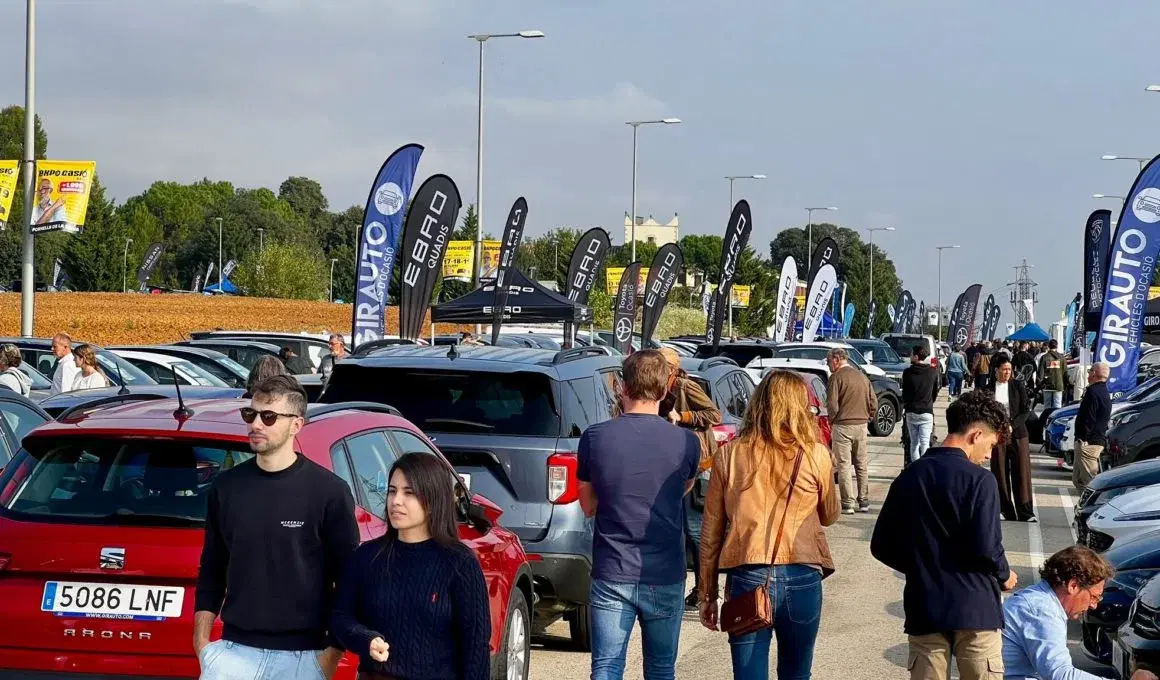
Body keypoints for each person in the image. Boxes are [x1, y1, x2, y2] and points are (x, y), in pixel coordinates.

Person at [194, 375, 358, 680]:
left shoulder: (328, 492)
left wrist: (331, 655)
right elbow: (212, 568)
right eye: (250, 414)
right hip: (231, 654)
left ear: (296, 425)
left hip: (303, 657)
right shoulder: (226, 487)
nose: (256, 424)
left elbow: (349, 581)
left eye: (269, 417)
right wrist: (203, 645)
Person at [698, 370, 840, 680]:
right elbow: (830, 515)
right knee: (797, 672)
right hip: (802, 572)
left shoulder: (730, 455)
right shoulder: (815, 454)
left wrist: (707, 594)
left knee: (748, 675)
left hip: (748, 574)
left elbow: (710, 533)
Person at [871, 389, 1017, 680]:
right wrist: (1005, 574)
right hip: (975, 607)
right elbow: (987, 546)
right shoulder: (981, 481)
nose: (989, 455)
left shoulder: (910, 475)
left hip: (926, 604)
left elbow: (881, 545)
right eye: (990, 444)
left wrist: (920, 565)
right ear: (975, 435)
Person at [577, 349, 700, 680]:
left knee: (606, 666)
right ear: (664, 391)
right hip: (665, 570)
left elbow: (588, 506)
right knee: (661, 668)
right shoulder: (687, 443)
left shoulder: (594, 437)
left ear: (622, 388)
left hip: (613, 567)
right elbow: (682, 488)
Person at [330, 453, 490, 680]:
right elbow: (340, 617)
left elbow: (475, 647)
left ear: (434, 500)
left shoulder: (460, 563)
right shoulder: (367, 557)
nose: (396, 501)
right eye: (392, 491)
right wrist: (365, 639)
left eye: (409, 493)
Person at [1000, 545, 1145, 680]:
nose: (1094, 605)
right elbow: (1060, 674)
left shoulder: (1039, 598)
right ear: (1073, 586)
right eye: (1093, 596)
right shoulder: (1042, 611)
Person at [658, 347, 722, 609]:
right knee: (676, 531)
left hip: (698, 467)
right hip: (671, 467)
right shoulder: (656, 389)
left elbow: (714, 415)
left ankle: (705, 590)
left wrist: (682, 416)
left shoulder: (686, 386)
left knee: (696, 533)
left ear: (672, 369)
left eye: (660, 366)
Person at [826, 347, 877, 514]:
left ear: (836, 359)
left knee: (844, 465)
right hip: (861, 425)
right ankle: (864, 501)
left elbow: (832, 405)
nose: (828, 366)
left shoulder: (836, 378)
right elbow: (873, 402)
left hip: (842, 426)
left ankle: (848, 502)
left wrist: (832, 420)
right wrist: (868, 417)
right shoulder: (862, 376)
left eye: (828, 362)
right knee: (861, 465)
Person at [987, 355, 1036, 522]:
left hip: (1017, 433)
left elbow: (1025, 410)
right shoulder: (988, 388)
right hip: (997, 434)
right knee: (999, 470)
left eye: (1009, 370)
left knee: (1022, 471)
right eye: (1004, 370)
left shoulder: (1017, 386)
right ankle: (1004, 509)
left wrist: (1012, 425)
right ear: (996, 371)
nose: (1007, 373)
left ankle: (1026, 512)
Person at [1073, 363, 1112, 491]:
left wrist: (1083, 438)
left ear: (1094, 373)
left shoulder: (1093, 392)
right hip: (1094, 440)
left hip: (1089, 443)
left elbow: (1088, 417)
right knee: (1078, 480)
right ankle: (1083, 507)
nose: (1088, 374)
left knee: (1089, 483)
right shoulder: (1103, 391)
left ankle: (1092, 508)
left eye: (1090, 372)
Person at [902, 345, 941, 465]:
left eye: (911, 354)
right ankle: (923, 468)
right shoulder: (932, 372)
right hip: (926, 411)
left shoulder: (908, 372)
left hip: (911, 411)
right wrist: (929, 401)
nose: (909, 356)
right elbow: (935, 391)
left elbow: (905, 392)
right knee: (925, 443)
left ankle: (915, 467)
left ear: (916, 356)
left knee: (914, 443)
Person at [1038, 339, 1069, 410]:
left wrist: (1039, 384)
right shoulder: (1062, 358)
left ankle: (1046, 419)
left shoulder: (1044, 357)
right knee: (1057, 405)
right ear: (1057, 346)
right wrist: (1066, 384)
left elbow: (1040, 372)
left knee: (1047, 405)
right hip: (1059, 384)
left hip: (1047, 384)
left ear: (1048, 346)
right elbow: (1065, 372)